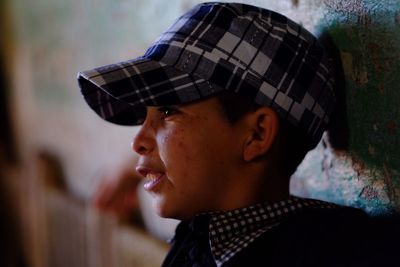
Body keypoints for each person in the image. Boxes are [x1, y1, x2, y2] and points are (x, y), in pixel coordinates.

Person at [77, 2, 398, 266]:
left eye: (167, 111)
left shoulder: (332, 250)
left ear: (256, 134)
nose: (137, 141)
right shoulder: (205, 240)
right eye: (144, 117)